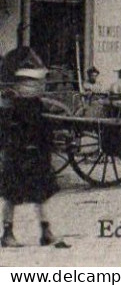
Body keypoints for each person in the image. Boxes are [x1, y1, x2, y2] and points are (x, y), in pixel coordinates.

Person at [1, 66, 60, 247]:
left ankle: (45, 231)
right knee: (13, 196)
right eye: (29, 84)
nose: (32, 87)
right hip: (19, 155)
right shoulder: (13, 107)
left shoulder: (32, 105)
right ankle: (8, 233)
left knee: (39, 196)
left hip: (29, 155)